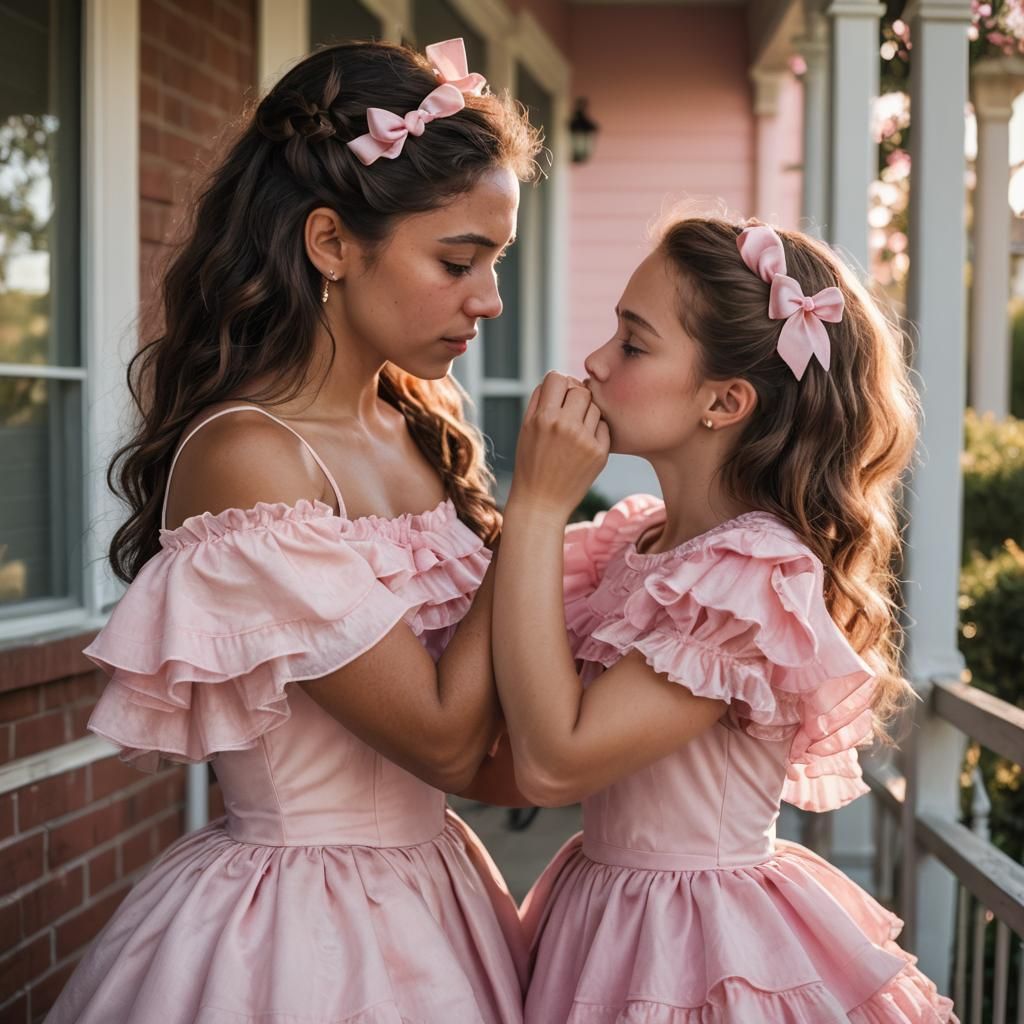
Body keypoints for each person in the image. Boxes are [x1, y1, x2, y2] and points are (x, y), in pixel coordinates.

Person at [47, 38, 539, 1024]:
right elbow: (444, 739)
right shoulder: (251, 459)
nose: (487, 299)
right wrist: (537, 514)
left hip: (439, 894)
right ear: (329, 244)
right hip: (299, 936)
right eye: (458, 260)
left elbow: (494, 725)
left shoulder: (415, 426)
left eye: (496, 262)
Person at [493, 217, 957, 1022]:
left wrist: (535, 502)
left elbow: (555, 762)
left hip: (697, 946)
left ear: (724, 400)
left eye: (633, 345)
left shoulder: (747, 577)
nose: (596, 363)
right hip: (600, 915)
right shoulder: (627, 544)